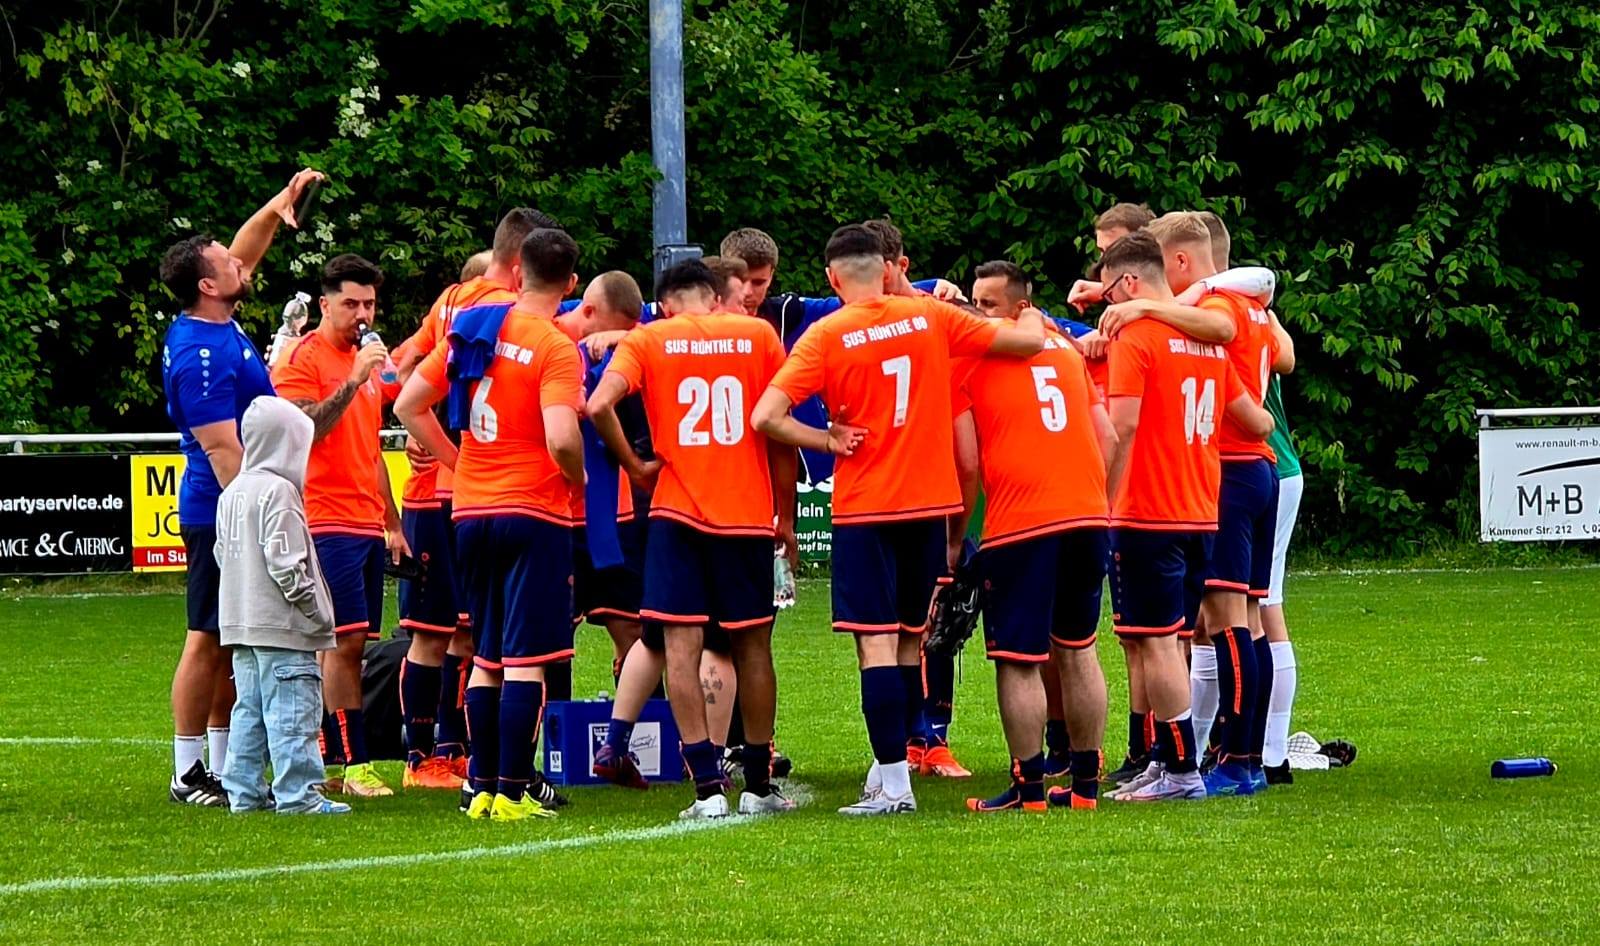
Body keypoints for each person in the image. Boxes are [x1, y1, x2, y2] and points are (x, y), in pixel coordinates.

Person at [752, 224, 1046, 816]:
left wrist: (826, 439)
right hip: (928, 504)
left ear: (833, 278)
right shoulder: (931, 317)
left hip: (868, 506)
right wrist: (1033, 313)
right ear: (887, 269)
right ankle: (893, 763)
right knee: (911, 640)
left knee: (876, 645)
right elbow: (1026, 342)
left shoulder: (827, 333)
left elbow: (767, 416)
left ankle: (894, 784)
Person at [588, 259, 796, 818]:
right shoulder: (757, 335)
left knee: (679, 648)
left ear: (664, 303)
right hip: (746, 516)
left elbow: (598, 404)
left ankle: (706, 790)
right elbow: (778, 431)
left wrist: (635, 465)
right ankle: (757, 784)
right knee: (752, 648)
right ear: (713, 295)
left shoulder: (649, 338)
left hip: (676, 515)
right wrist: (786, 517)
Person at [394, 228, 586, 822]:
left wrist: (458, 462)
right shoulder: (554, 345)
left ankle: (479, 786)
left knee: (485, 655)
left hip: (470, 510)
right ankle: (512, 790)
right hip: (532, 510)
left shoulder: (473, 329)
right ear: (570, 283)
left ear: (517, 271)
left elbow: (406, 403)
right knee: (526, 659)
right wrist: (576, 475)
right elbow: (561, 436)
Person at [158, 166, 322, 806]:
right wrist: (253, 517)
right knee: (206, 635)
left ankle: (229, 769)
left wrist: (280, 205)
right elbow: (222, 448)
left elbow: (246, 249)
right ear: (208, 285)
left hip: (235, 504)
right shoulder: (199, 355)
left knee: (232, 639)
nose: (238, 261)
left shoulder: (216, 320)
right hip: (220, 508)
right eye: (224, 262)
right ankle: (188, 771)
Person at [1092, 231, 1273, 803]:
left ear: (1128, 283)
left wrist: (1101, 499)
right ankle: (1166, 763)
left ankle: (1179, 769)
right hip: (1201, 507)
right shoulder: (1207, 341)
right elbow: (1256, 418)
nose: (1106, 307)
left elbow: (1122, 426)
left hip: (1147, 507)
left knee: (1156, 643)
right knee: (1173, 639)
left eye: (1107, 293)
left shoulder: (1137, 336)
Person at [949, 265, 1117, 813]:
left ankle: (1028, 790)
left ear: (1020, 307)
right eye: (975, 302)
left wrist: (956, 537)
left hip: (1021, 522)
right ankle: (1086, 785)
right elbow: (1108, 437)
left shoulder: (971, 355)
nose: (979, 313)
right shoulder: (1065, 347)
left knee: (1017, 659)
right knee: (1079, 648)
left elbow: (967, 461)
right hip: (1087, 515)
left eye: (989, 304)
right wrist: (1097, 501)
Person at [1145, 211, 1294, 798]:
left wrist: (1144, 306)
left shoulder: (1218, 308)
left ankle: (1240, 757)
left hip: (1230, 470)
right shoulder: (1251, 304)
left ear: (1182, 261)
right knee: (1247, 618)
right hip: (1257, 469)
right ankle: (1245, 756)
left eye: (1162, 270)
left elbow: (1218, 331)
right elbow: (1281, 356)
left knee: (1228, 619)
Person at [272, 253, 406, 798]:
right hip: (325, 519)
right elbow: (302, 428)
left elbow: (370, 449)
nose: (362, 314)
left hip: (364, 521)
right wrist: (352, 381)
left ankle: (328, 757)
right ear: (325, 304)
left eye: (369, 303)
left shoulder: (366, 361)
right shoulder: (304, 359)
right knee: (343, 643)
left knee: (351, 643)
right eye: (351, 303)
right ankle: (355, 765)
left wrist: (392, 521)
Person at [214, 396, 348, 815]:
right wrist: (315, 612)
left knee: (248, 713)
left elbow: (222, 553)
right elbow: (287, 564)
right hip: (283, 628)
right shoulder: (280, 492)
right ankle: (298, 795)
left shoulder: (232, 492)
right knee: (293, 712)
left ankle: (244, 793)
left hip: (241, 625)